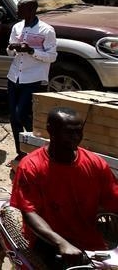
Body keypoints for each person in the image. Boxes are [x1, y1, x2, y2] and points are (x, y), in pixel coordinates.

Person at [10, 107, 118, 269]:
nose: (75, 138)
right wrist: (61, 243)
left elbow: (113, 199)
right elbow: (29, 213)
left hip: (87, 237)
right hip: (48, 241)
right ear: (51, 131)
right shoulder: (31, 166)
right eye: (68, 132)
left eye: (78, 132)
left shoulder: (95, 164)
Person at [7, 0, 57, 160]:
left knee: (22, 114)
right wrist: (13, 48)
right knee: (13, 118)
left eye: (21, 8)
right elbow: (10, 51)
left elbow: (51, 56)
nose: (17, 10)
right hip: (15, 77)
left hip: (33, 78)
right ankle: (21, 152)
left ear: (32, 10)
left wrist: (31, 51)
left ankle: (36, 150)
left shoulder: (46, 30)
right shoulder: (17, 27)